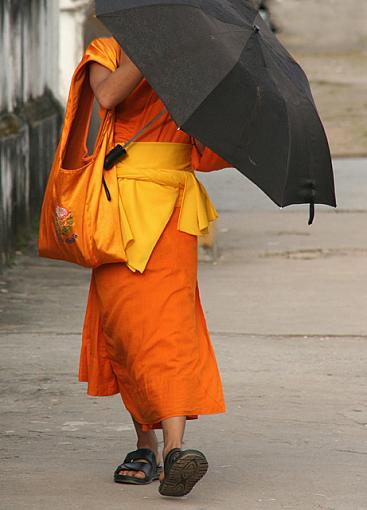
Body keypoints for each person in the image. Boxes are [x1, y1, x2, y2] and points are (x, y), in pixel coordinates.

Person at [77, 32, 230, 497]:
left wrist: (198, 89)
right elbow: (106, 96)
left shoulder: (199, 60)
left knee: (172, 327)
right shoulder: (106, 49)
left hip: (174, 212)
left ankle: (174, 450)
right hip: (119, 209)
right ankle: (144, 441)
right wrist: (157, 52)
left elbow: (210, 148)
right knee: (126, 332)